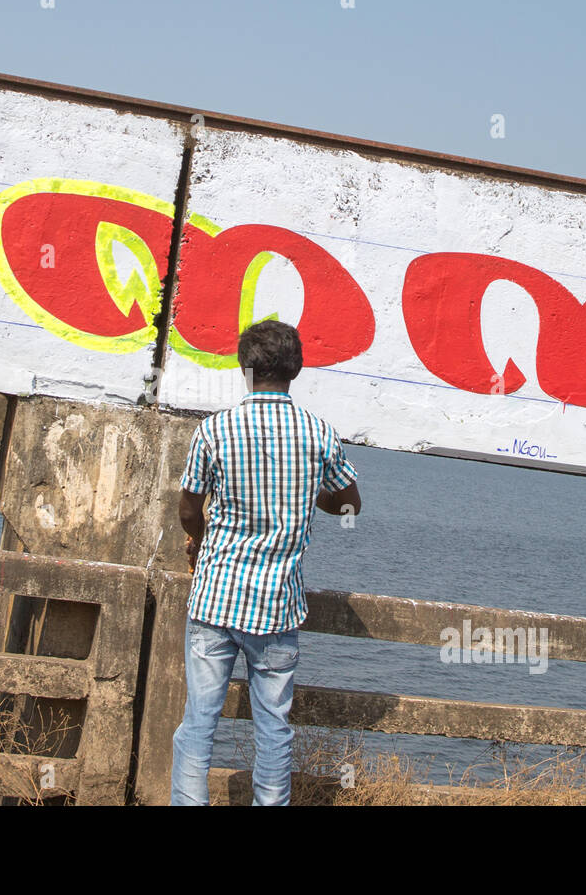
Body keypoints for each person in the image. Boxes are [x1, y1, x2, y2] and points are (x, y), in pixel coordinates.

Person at [171, 319, 361, 806]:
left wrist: (199, 537)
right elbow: (348, 505)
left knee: (198, 723)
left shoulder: (215, 431)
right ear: (296, 368)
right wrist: (304, 495)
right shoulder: (319, 434)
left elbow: (189, 508)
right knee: (274, 729)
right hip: (277, 607)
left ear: (246, 368)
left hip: (216, 600)